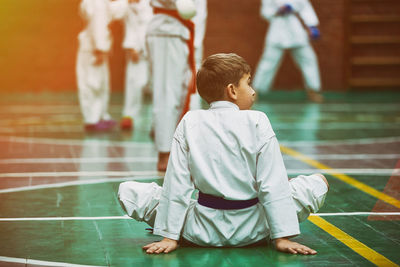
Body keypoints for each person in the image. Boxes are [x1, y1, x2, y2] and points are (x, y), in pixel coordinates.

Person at [118, 53, 329, 254]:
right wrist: (282, 236)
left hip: (200, 230)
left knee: (128, 190)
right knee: (318, 181)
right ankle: (279, 229)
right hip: (254, 230)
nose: (253, 90)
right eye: (248, 82)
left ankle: (175, 230)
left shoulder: (190, 121)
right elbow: (272, 183)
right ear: (232, 90)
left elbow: (177, 183)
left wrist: (169, 236)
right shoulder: (258, 120)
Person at [146, 0, 198, 171]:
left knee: (181, 91)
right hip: (166, 31)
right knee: (166, 93)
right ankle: (164, 151)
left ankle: (169, 140)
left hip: (180, 30)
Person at [253, 0, 323, 103]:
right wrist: (278, 11)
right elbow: (265, 12)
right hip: (277, 29)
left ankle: (313, 90)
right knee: (268, 62)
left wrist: (311, 26)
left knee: (309, 59)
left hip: (296, 30)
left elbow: (305, 8)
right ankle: (255, 91)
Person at [76, 0, 128, 131]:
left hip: (94, 47)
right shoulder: (97, 3)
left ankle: (100, 116)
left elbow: (112, 11)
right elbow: (98, 24)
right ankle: (92, 119)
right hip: (93, 49)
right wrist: (100, 48)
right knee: (93, 84)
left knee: (101, 84)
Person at [120, 0, 153, 130]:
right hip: (136, 51)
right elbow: (130, 27)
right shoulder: (126, 5)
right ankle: (129, 115)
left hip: (154, 48)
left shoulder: (152, 4)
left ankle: (155, 121)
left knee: (155, 86)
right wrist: (132, 47)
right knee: (133, 83)